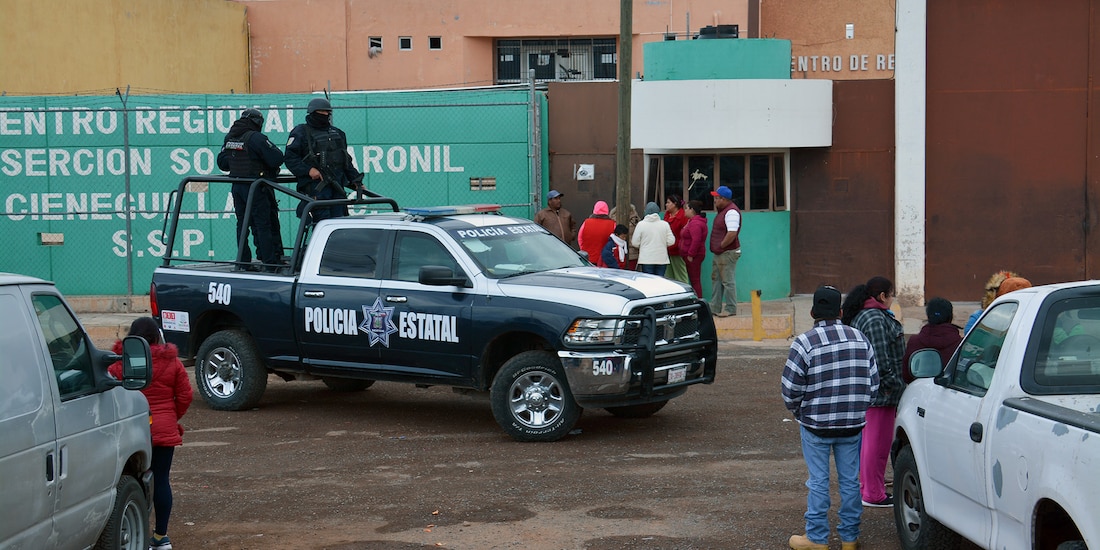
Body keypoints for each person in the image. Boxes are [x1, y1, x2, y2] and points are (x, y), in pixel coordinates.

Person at [783, 286, 879, 550]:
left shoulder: (804, 343)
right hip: (852, 425)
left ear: (812, 312)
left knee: (818, 481)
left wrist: (800, 412)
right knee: (850, 482)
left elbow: (790, 389)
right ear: (840, 312)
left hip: (816, 425)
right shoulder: (860, 339)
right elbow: (873, 384)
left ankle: (816, 538)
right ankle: (849, 538)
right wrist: (858, 409)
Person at [108, 317, 193, 550]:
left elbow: (112, 393)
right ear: (157, 337)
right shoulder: (172, 362)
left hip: (132, 431)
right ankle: (160, 537)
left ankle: (136, 534)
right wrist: (170, 418)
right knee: (161, 480)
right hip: (163, 431)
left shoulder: (120, 363)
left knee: (130, 485)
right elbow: (185, 395)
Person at [840, 276, 905, 508]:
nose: (892, 299)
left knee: (870, 443)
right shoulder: (875, 318)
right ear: (882, 296)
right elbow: (880, 360)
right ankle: (873, 493)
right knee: (877, 445)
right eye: (891, 294)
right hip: (881, 394)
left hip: (872, 391)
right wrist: (892, 385)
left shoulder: (866, 315)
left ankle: (869, 486)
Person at [217, 108, 287, 268]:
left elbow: (223, 163)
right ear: (257, 122)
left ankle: (243, 261)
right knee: (263, 224)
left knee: (242, 224)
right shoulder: (256, 138)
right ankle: (270, 262)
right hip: (256, 187)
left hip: (238, 187)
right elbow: (277, 158)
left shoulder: (230, 137)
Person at [284, 97, 365, 224]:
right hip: (316, 188)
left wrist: (356, 180)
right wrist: (308, 170)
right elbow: (290, 158)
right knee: (321, 223)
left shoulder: (338, 133)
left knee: (340, 223)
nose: (325, 114)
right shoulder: (301, 132)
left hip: (337, 187)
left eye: (327, 112)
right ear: (313, 112)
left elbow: (345, 161)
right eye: (322, 111)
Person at [901, 297, 962, 383]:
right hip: (949, 389)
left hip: (920, 388)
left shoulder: (914, 341)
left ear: (928, 316)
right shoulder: (960, 344)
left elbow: (906, 375)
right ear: (950, 317)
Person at [709, 185, 742, 317]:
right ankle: (715, 308)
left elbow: (732, 233)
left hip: (727, 252)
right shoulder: (723, 211)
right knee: (716, 280)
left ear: (723, 199)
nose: (715, 201)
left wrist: (721, 246)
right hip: (720, 252)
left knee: (728, 281)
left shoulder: (731, 212)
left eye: (717, 198)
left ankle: (730, 309)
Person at [632, 201, 675, 276]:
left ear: (646, 211)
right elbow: (671, 241)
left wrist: (643, 245)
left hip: (646, 259)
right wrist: (662, 244)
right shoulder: (664, 224)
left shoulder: (641, 224)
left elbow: (635, 243)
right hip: (662, 259)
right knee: (660, 280)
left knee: (649, 281)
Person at [679, 200, 708, 298]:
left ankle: (699, 301)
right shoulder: (691, 221)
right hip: (689, 255)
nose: (685, 211)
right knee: (693, 279)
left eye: (686, 208)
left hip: (694, 256)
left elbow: (696, 240)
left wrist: (691, 254)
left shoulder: (696, 223)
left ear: (692, 210)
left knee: (695, 280)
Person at [577, 200, 616, 265]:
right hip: (605, 260)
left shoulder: (586, 222)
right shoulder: (612, 224)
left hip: (588, 258)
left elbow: (580, 238)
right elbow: (615, 242)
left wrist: (583, 249)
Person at [663, 194, 689, 284]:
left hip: (678, 251)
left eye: (668, 202)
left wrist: (677, 245)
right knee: (669, 277)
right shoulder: (667, 215)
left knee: (681, 276)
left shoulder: (683, 217)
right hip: (667, 250)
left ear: (675, 204)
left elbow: (684, 235)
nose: (666, 205)